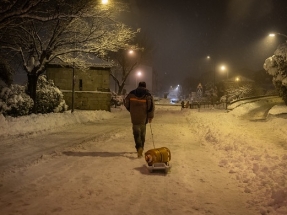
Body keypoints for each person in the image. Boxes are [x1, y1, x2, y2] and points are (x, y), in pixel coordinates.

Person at [124, 82, 155, 158]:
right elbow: (151, 106)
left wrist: (131, 110)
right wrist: (150, 116)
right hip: (143, 117)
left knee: (136, 133)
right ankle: (142, 147)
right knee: (142, 133)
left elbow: (126, 102)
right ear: (145, 86)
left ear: (138, 86)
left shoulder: (131, 93)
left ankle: (139, 147)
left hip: (134, 117)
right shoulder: (148, 94)